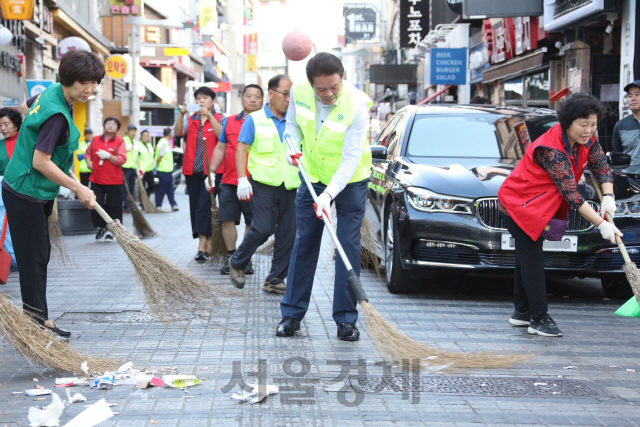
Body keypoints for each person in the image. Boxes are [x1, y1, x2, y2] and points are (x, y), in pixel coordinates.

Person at [498, 93, 621, 337]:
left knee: (528, 258)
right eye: (583, 125)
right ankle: (539, 318)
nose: (589, 131)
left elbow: (600, 167)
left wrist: (609, 196)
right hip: (518, 205)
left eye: (593, 124)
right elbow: (571, 194)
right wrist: (601, 224)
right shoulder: (551, 149)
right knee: (532, 259)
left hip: (538, 206)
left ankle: (521, 313)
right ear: (568, 123)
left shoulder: (588, 140)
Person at [2, 49, 99, 337]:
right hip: (25, 191)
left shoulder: (55, 92)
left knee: (39, 255)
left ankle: (38, 317)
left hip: (32, 188)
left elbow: (23, 107)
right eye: (84, 83)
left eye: (95, 83)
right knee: (34, 258)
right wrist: (78, 186)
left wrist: (39, 144)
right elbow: (40, 161)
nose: (90, 89)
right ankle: (35, 323)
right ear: (69, 79)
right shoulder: (56, 115)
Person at [277, 53, 372, 341]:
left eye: (334, 87)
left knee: (347, 246)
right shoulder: (299, 92)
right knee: (304, 243)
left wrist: (329, 195)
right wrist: (291, 147)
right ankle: (291, 315)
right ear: (310, 84)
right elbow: (291, 125)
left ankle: (346, 320)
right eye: (321, 89)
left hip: (351, 182)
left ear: (342, 78)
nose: (328, 94)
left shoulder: (357, 104)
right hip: (312, 177)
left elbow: (351, 158)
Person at [227, 75, 299, 293]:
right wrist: (242, 179)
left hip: (291, 185)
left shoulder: (296, 121)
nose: (288, 99)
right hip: (263, 184)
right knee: (263, 228)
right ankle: (237, 261)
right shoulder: (255, 120)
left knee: (288, 233)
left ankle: (275, 278)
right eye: (285, 94)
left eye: (291, 95)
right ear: (271, 93)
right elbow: (242, 149)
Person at [207, 84, 263, 276]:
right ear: (242, 98)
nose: (253, 100)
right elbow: (221, 148)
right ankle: (231, 257)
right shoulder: (229, 122)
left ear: (263, 100)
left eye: (257, 96)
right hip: (229, 181)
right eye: (249, 96)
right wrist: (212, 172)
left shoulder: (266, 123)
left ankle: (244, 258)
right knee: (227, 220)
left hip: (255, 182)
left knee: (252, 223)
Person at [173, 86, 224, 263]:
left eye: (205, 98)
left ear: (212, 101)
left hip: (212, 172)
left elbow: (222, 136)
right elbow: (178, 132)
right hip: (192, 170)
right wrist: (181, 114)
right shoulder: (190, 119)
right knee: (196, 206)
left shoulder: (220, 119)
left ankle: (202, 245)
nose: (201, 101)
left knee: (204, 205)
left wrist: (209, 117)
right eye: (198, 98)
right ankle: (208, 240)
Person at [85, 117, 127, 241]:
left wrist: (109, 156)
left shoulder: (120, 142)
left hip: (114, 179)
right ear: (104, 126)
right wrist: (88, 162)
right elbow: (87, 153)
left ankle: (113, 231)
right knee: (96, 203)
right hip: (97, 178)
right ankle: (101, 226)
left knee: (114, 205)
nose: (110, 126)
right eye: (108, 123)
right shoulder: (95, 139)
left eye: (113, 124)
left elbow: (122, 160)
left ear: (117, 129)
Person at [0, 107, 22, 269]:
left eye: (6, 124)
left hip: (23, 189)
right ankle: (10, 258)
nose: (3, 128)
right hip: (1, 191)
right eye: (0, 125)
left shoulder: (25, 141)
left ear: (15, 124)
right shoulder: (0, 145)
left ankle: (21, 257)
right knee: (2, 225)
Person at [612, 80, 640, 179]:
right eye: (629, 96)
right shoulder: (620, 125)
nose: (633, 99)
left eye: (637, 94)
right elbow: (617, 156)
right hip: (630, 180)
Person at [155, 127, 178, 211]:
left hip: (167, 170)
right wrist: (157, 167)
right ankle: (158, 205)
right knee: (162, 189)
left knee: (169, 189)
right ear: (170, 134)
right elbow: (159, 158)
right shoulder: (163, 143)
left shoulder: (165, 143)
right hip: (163, 170)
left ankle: (173, 204)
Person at [121, 124, 141, 213]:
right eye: (131, 131)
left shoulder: (137, 143)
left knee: (132, 187)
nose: (133, 133)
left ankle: (130, 204)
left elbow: (137, 156)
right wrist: (126, 150)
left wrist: (139, 168)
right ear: (127, 131)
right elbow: (118, 152)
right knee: (126, 187)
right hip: (125, 167)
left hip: (133, 168)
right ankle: (125, 205)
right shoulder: (123, 140)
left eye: (134, 131)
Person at [138, 130, 155, 200]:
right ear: (141, 137)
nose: (145, 138)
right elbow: (137, 157)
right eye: (144, 136)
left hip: (149, 169)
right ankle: (143, 203)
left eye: (147, 136)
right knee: (142, 188)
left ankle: (146, 199)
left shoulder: (149, 145)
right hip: (142, 170)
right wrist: (139, 169)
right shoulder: (138, 145)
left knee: (152, 186)